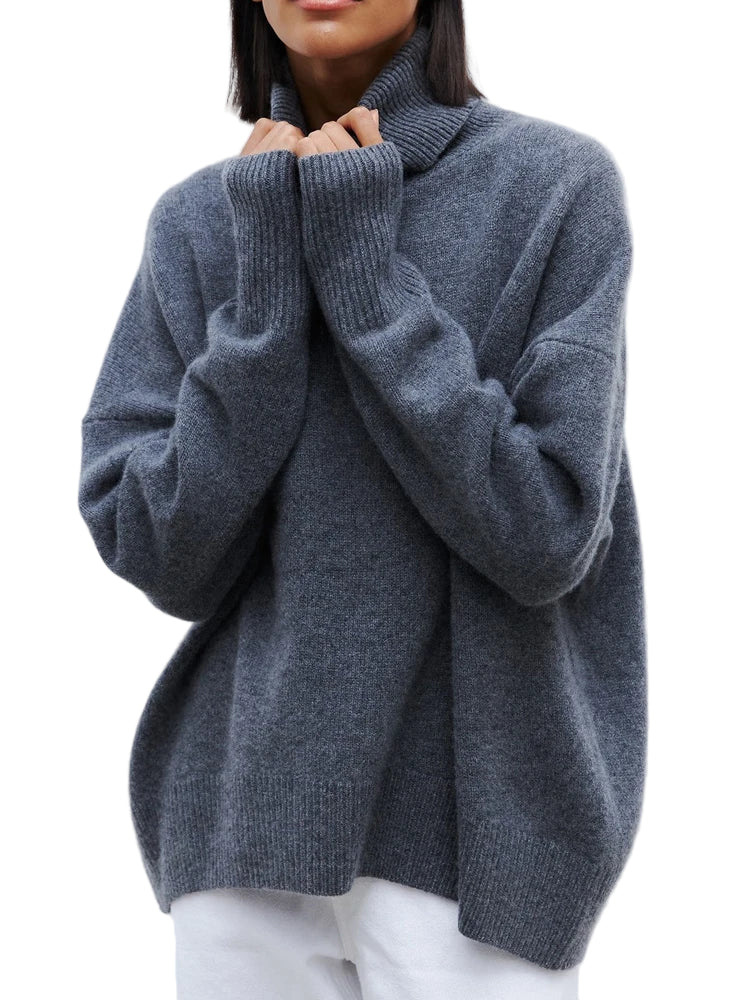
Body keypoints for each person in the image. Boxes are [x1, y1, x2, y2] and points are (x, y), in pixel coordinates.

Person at [77, 0, 648, 997]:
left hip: (475, 845)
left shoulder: (553, 184)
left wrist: (365, 274)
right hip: (240, 836)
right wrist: (264, 301)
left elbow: (547, 534)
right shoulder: (204, 219)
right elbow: (160, 552)